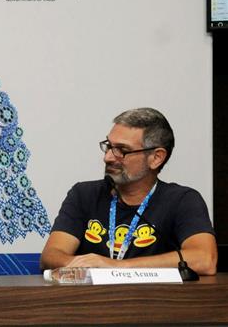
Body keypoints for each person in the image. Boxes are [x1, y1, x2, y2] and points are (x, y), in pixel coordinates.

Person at [40, 107, 217, 274]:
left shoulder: (182, 200)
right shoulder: (84, 194)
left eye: (122, 150)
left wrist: (117, 267)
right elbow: (51, 256)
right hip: (91, 302)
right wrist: (87, 267)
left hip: (155, 303)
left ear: (156, 158)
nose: (107, 157)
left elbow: (205, 260)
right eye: (109, 146)